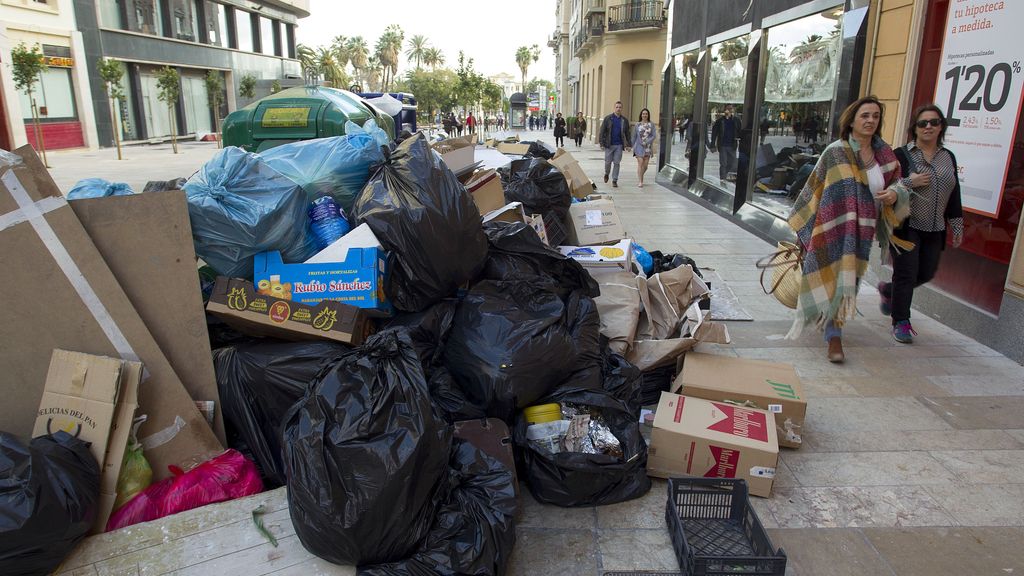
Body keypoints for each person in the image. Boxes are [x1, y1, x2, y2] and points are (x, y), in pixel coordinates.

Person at [787, 96, 913, 363]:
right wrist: (802, 230)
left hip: (864, 233)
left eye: (875, 116)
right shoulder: (835, 152)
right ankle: (834, 335)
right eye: (865, 115)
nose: (870, 120)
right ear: (852, 119)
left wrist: (893, 194)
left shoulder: (885, 154)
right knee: (833, 277)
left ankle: (833, 327)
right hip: (831, 227)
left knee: (848, 282)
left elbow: (898, 184)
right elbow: (814, 189)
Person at [878, 104, 963, 344]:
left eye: (934, 122)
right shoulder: (902, 154)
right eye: (922, 123)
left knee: (926, 272)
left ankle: (888, 292)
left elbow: (954, 192)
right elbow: (889, 188)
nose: (928, 127)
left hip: (936, 227)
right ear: (914, 128)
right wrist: (909, 181)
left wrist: (957, 225)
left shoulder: (948, 157)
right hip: (908, 225)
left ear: (941, 127)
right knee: (906, 273)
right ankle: (901, 321)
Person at [598, 101, 632, 188]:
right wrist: (601, 143)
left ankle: (614, 180)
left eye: (620, 107)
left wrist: (629, 144)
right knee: (608, 162)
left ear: (622, 109)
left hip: (619, 145)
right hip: (609, 144)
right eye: (617, 107)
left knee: (617, 163)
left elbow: (627, 133)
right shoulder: (608, 118)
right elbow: (602, 131)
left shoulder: (624, 120)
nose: (618, 109)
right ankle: (606, 173)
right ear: (614, 108)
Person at [709, 104, 740, 182]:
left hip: (732, 145)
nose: (729, 110)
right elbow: (714, 133)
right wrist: (712, 144)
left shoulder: (736, 120)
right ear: (725, 110)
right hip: (723, 145)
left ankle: (725, 174)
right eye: (727, 109)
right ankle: (722, 178)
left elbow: (740, 131)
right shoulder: (720, 121)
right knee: (723, 163)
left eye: (731, 108)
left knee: (732, 162)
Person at [631, 108, 657, 188]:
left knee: (645, 166)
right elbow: (634, 136)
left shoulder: (651, 124)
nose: (644, 115)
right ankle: (640, 181)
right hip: (639, 147)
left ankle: (640, 175)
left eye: (646, 114)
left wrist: (647, 142)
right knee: (640, 163)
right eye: (643, 114)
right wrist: (631, 146)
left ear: (648, 115)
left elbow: (653, 135)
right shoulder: (637, 125)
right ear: (641, 115)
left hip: (648, 148)